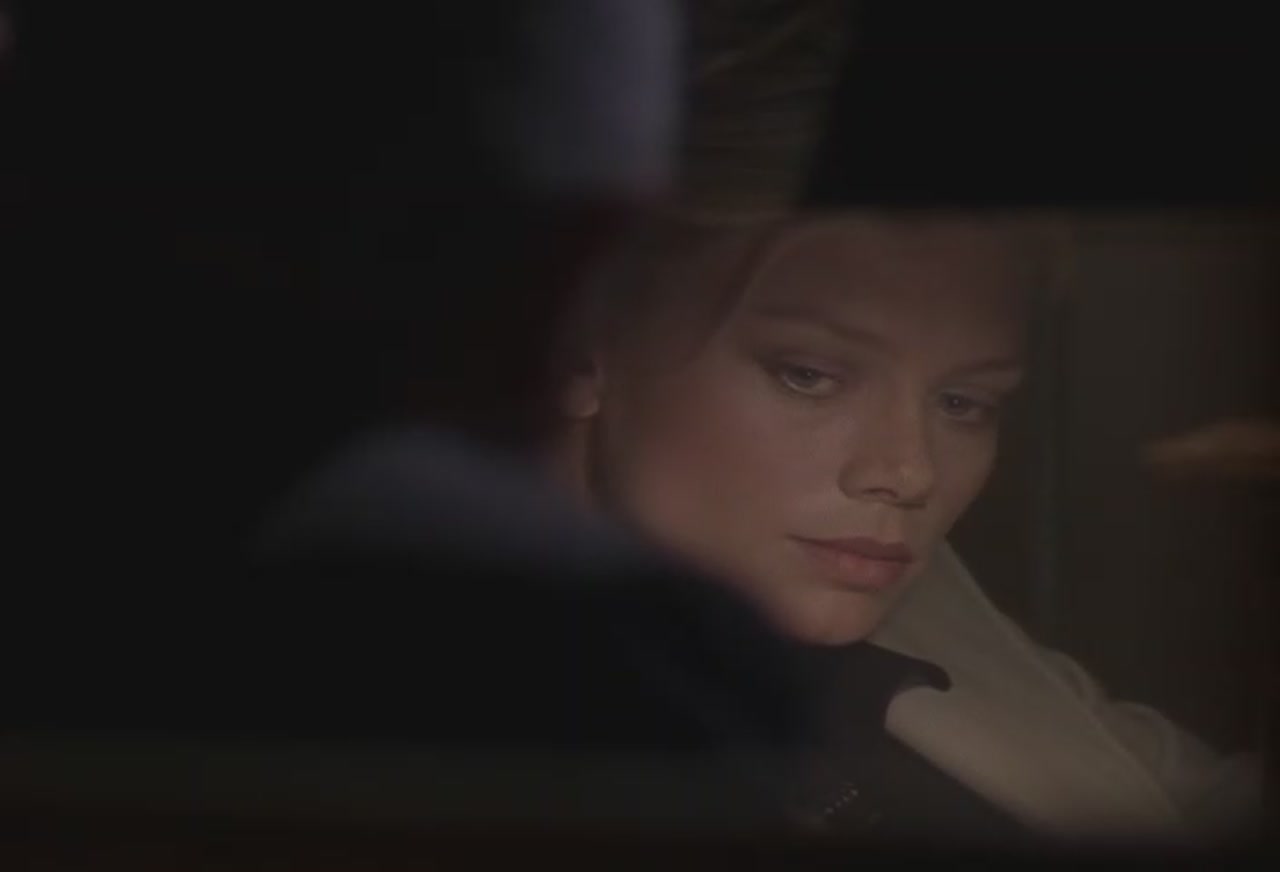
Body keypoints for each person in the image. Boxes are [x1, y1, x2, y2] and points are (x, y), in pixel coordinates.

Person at [533, 0, 1265, 841]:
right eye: (809, 375)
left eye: (964, 402)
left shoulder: (902, 596)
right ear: (581, 344)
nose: (909, 471)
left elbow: (1190, 797)